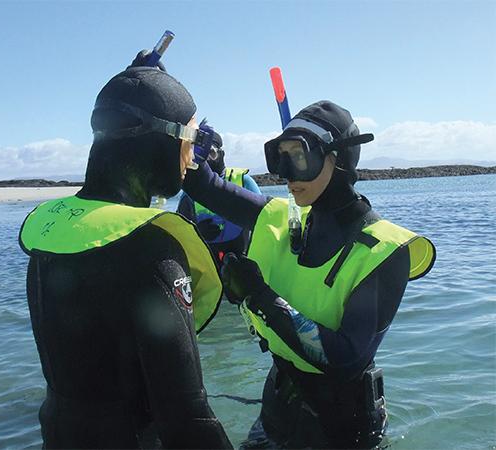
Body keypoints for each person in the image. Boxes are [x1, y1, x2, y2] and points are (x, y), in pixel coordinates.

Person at [182, 100, 436, 449]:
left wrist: (258, 295)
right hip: (278, 406)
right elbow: (202, 186)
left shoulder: (385, 251)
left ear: (339, 158)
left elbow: (345, 360)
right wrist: (186, 132)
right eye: (279, 158)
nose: (286, 174)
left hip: (341, 427)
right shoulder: (282, 219)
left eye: (298, 158)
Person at [18, 62, 232, 448]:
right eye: (193, 140)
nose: (192, 158)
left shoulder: (53, 233)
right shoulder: (149, 248)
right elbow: (188, 416)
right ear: (163, 142)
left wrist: (143, 86)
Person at [177, 128, 262, 262]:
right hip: (209, 265)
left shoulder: (244, 181)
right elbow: (179, 234)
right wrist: (196, 233)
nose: (206, 161)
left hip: (244, 260)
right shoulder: (191, 192)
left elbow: (264, 221)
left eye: (211, 153)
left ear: (222, 154)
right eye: (200, 154)